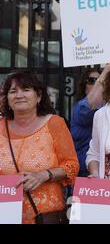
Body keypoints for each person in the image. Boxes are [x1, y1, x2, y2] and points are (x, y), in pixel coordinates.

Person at [0, 71, 79, 224]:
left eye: (26, 89)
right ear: (7, 99)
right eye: (13, 91)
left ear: (39, 96)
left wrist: (44, 175)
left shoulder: (55, 124)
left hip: (44, 216)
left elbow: (72, 165)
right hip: (5, 215)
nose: (19, 95)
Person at [70, 61, 110, 177]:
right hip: (85, 174)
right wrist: (107, 70)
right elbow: (87, 109)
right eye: (91, 81)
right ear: (84, 87)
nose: (97, 84)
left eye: (100, 80)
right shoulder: (80, 108)